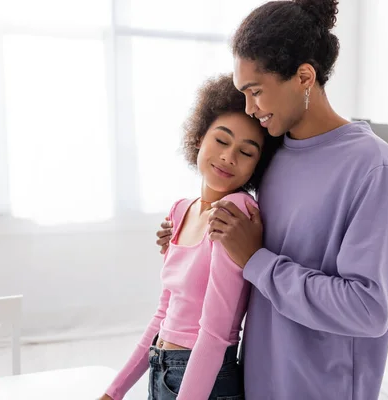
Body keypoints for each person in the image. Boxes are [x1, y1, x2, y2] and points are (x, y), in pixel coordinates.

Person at [156, 0, 388, 399]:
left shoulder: (370, 163)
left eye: (256, 92)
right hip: (256, 381)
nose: (250, 109)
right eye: (243, 93)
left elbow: (369, 308)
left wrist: (258, 261)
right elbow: (237, 238)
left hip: (323, 389)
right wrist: (189, 235)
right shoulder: (273, 153)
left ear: (304, 76)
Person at [101, 73, 280, 400]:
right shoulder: (180, 211)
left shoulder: (235, 212)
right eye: (222, 140)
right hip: (163, 370)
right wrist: (114, 392)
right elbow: (164, 315)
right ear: (199, 137)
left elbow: (214, 334)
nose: (228, 157)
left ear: (258, 165)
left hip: (205, 380)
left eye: (247, 151)